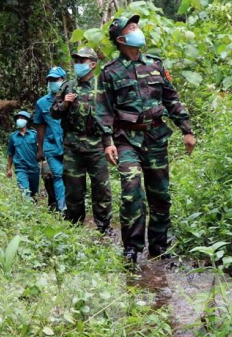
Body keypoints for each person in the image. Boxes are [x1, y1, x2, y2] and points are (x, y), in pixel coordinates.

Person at [95, 15, 196, 264]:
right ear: (121, 39)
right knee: (131, 191)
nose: (137, 29)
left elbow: (172, 99)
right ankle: (132, 248)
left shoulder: (155, 65)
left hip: (156, 137)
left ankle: (159, 245)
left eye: (136, 26)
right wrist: (107, 141)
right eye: (132, 27)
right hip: (126, 140)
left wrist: (186, 129)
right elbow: (104, 109)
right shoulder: (109, 72)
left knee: (160, 194)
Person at [51, 48, 113, 234]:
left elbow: (110, 117)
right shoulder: (67, 87)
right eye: (76, 60)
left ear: (93, 64)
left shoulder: (102, 88)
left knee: (101, 190)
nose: (78, 63)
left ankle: (104, 229)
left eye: (82, 60)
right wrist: (65, 104)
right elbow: (53, 112)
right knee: (74, 190)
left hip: (97, 147)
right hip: (73, 148)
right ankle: (74, 228)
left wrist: (109, 143)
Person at [34, 66, 67, 213]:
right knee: (57, 175)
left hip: (70, 145)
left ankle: (72, 206)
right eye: (50, 80)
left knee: (71, 178)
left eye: (55, 79)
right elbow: (40, 126)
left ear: (63, 80)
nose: (52, 82)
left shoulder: (72, 98)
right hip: (52, 146)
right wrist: (40, 149)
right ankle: (62, 208)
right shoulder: (42, 103)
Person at [6, 111, 40, 199]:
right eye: (18, 118)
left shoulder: (34, 135)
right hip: (21, 168)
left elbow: (41, 149)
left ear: (27, 121)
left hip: (34, 167)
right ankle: (27, 208)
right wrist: (9, 169)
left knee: (34, 193)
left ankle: (33, 210)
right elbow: (10, 153)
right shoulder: (13, 137)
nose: (20, 120)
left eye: (22, 118)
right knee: (25, 191)